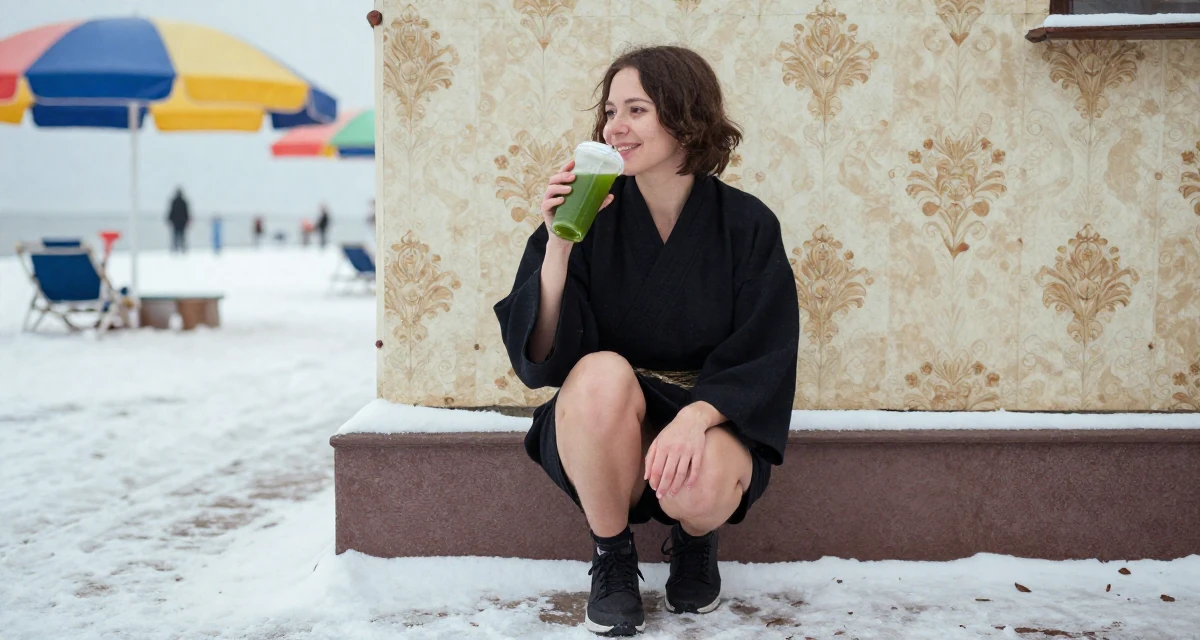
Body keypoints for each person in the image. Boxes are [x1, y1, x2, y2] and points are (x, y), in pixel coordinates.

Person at [494, 45, 799, 636]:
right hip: (606, 427)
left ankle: (693, 540)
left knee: (706, 485)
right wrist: (558, 244)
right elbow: (541, 359)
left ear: (685, 115)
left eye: (636, 109)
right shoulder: (589, 213)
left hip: (707, 416)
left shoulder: (747, 224)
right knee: (602, 369)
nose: (616, 127)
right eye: (610, 111)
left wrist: (698, 417)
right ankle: (611, 555)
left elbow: (768, 347)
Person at [166, 188, 190, 254]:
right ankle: (182, 248)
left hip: (176, 222)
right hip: (182, 222)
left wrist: (169, 219)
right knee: (181, 236)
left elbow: (171, 212)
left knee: (176, 236)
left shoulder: (174, 202)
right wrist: (187, 220)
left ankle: (176, 248)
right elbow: (186, 213)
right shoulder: (183, 202)